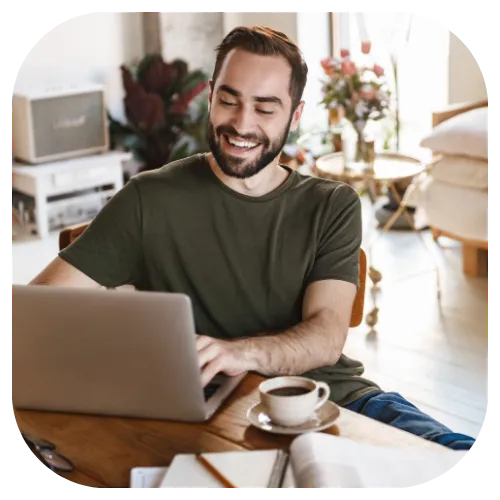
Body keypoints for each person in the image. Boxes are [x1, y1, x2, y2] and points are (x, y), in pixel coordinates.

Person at [30, 26, 476, 452]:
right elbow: (42, 307)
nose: (242, 124)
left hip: (334, 399)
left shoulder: (332, 204)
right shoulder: (148, 198)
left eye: (265, 108)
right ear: (210, 96)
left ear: (295, 115)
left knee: (455, 452)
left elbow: (325, 336)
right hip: (205, 414)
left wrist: (237, 352)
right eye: (229, 100)